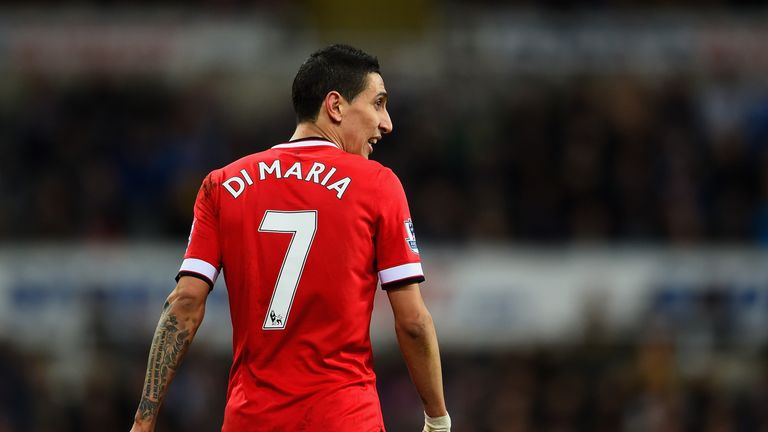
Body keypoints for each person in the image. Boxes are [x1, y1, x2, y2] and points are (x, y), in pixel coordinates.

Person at [129, 44, 450, 432]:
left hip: (251, 420)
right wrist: (437, 418)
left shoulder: (222, 185)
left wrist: (144, 422)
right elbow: (413, 321)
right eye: (378, 103)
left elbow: (184, 304)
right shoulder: (378, 186)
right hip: (345, 419)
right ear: (335, 106)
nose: (387, 123)